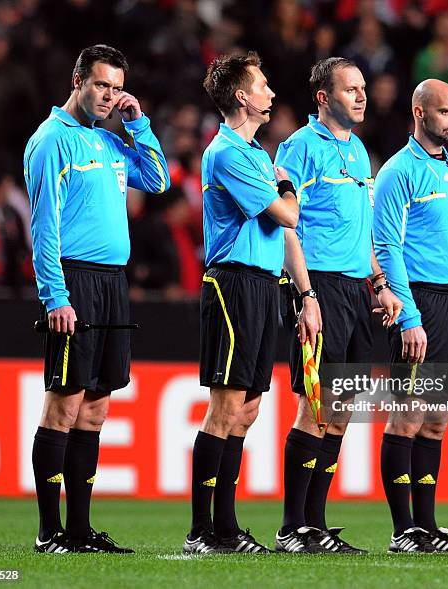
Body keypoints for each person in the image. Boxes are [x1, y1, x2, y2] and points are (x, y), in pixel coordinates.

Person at [24, 44, 170, 554]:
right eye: (101, 85)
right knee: (63, 405)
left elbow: (157, 180)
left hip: (112, 284)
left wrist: (139, 124)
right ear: (77, 80)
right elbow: (43, 228)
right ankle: (49, 532)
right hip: (75, 282)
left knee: (96, 409)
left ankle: (80, 531)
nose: (109, 95)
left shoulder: (109, 142)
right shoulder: (51, 142)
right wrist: (54, 297)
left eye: (116, 87)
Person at [274, 57, 402, 553]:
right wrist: (305, 295)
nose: (362, 96)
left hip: (355, 291)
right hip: (320, 288)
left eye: (363, 87)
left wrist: (379, 284)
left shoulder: (359, 152)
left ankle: (316, 524)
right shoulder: (299, 148)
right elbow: (286, 225)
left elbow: (363, 229)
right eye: (351, 89)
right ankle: (292, 527)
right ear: (323, 97)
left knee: (342, 408)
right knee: (315, 406)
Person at [183, 51, 299, 554]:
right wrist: (286, 187)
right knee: (225, 406)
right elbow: (286, 214)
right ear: (241, 96)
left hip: (263, 285)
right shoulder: (227, 152)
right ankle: (200, 531)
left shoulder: (255, 153)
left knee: (248, 408)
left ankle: (226, 527)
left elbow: (283, 214)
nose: (271, 93)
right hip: (232, 285)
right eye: (263, 84)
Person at [373, 79, 448, 553]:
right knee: (407, 418)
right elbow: (386, 246)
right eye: (445, 112)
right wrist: (409, 318)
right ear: (419, 113)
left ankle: (428, 524)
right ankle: (405, 531)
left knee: (437, 421)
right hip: (421, 302)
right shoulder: (400, 171)